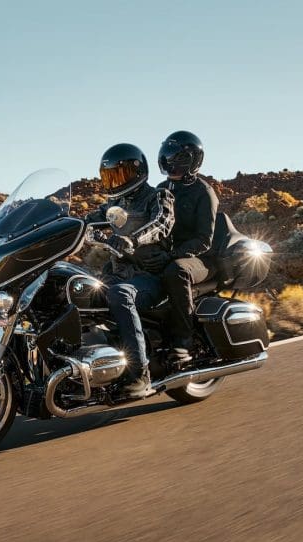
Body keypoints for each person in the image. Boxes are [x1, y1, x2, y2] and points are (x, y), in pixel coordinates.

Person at [87, 143, 174, 397]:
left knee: (119, 295)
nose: (116, 181)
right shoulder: (113, 204)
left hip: (150, 276)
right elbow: (89, 221)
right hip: (119, 273)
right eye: (110, 176)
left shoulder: (158, 196)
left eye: (120, 174)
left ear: (138, 171)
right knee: (76, 289)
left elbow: (162, 223)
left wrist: (133, 240)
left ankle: (139, 373)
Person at [156, 131, 218, 363]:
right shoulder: (162, 189)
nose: (172, 164)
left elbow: (204, 240)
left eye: (179, 159)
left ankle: (184, 342)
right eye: (170, 159)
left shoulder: (203, 192)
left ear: (193, 161)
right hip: (170, 253)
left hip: (201, 259)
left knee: (176, 271)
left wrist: (173, 255)